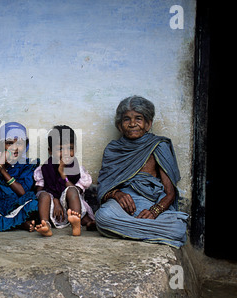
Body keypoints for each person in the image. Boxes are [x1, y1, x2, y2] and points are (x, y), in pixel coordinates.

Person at [95, 96, 188, 248]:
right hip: (121, 207)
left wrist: (154, 211)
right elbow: (104, 186)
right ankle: (143, 231)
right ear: (119, 125)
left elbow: (170, 192)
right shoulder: (113, 149)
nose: (132, 124)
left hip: (150, 205)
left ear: (148, 123)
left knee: (178, 229)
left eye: (138, 118)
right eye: (126, 119)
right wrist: (117, 194)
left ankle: (124, 230)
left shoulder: (158, 146)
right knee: (103, 217)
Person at [34, 125, 95, 237]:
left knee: (71, 190)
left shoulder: (78, 169)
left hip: (72, 207)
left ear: (75, 149)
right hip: (53, 209)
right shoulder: (44, 168)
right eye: (60, 149)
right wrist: (55, 201)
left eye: (70, 148)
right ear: (50, 151)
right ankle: (45, 224)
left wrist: (63, 174)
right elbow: (38, 192)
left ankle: (76, 223)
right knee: (43, 195)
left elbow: (77, 192)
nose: (66, 153)